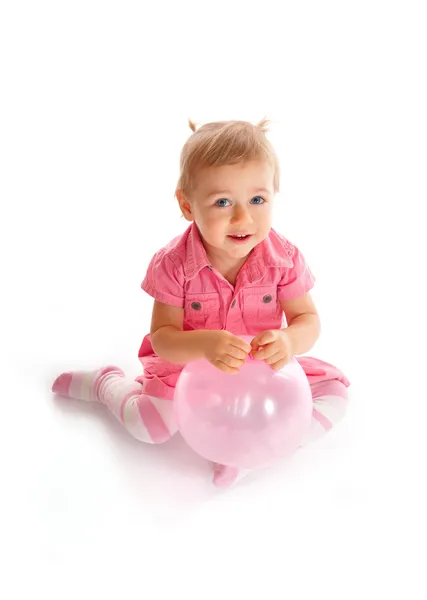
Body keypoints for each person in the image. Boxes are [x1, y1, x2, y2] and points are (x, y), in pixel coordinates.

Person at [52, 119, 350, 488]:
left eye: (257, 199)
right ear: (187, 205)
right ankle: (106, 384)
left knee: (337, 396)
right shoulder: (174, 264)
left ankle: (247, 452)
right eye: (222, 202)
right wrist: (205, 345)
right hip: (188, 368)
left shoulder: (284, 258)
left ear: (274, 195)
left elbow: (307, 319)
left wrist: (288, 342)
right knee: (149, 428)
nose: (243, 218)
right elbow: (163, 336)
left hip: (261, 372)